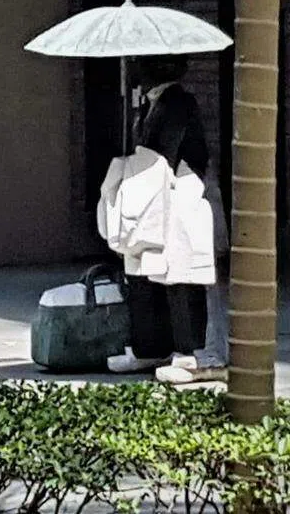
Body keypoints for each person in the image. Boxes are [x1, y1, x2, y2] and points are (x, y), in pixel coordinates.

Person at [107, 55, 226, 378]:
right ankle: (150, 348)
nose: (132, 68)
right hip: (152, 198)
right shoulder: (148, 104)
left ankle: (196, 355)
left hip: (179, 198)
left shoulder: (178, 103)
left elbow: (164, 153)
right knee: (143, 275)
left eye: (138, 63)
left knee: (181, 276)